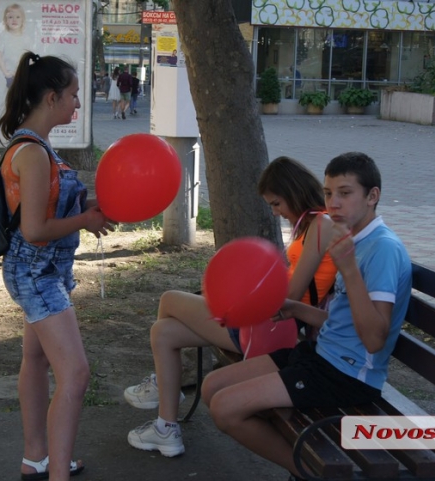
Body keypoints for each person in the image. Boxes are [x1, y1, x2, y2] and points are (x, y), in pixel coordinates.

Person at [200, 152, 412, 480]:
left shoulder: (382, 249)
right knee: (213, 386)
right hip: (320, 357)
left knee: (226, 409)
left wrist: (350, 270)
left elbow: (372, 340)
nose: (333, 203)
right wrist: (297, 309)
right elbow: (345, 325)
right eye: (328, 193)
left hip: (347, 376)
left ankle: (307, 472)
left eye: (345, 193)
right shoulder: (357, 239)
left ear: (373, 196)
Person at [125, 156, 338, 457]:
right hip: (265, 323)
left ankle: (162, 387)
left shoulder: (320, 224)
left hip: (269, 328)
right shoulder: (310, 224)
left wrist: (240, 297)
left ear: (293, 192)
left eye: (277, 203)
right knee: (164, 332)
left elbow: (289, 294)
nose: (276, 212)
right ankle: (166, 428)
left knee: (169, 299)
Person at [0, 51, 114, 481]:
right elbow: (34, 229)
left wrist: (89, 205)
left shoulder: (38, 146)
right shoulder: (33, 152)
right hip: (36, 272)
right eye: (73, 95)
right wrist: (86, 219)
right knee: (76, 374)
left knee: (36, 360)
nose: (78, 104)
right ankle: (57, 474)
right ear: (51, 97)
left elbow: (45, 206)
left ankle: (37, 459)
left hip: (41, 270)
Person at [0, 3, 30, 88]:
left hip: (23, 74)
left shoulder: (26, 37)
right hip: (10, 75)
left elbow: (29, 56)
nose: (14, 20)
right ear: (6, 20)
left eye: (18, 17)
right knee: (12, 96)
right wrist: (6, 73)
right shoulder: (3, 36)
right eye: (10, 17)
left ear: (22, 20)